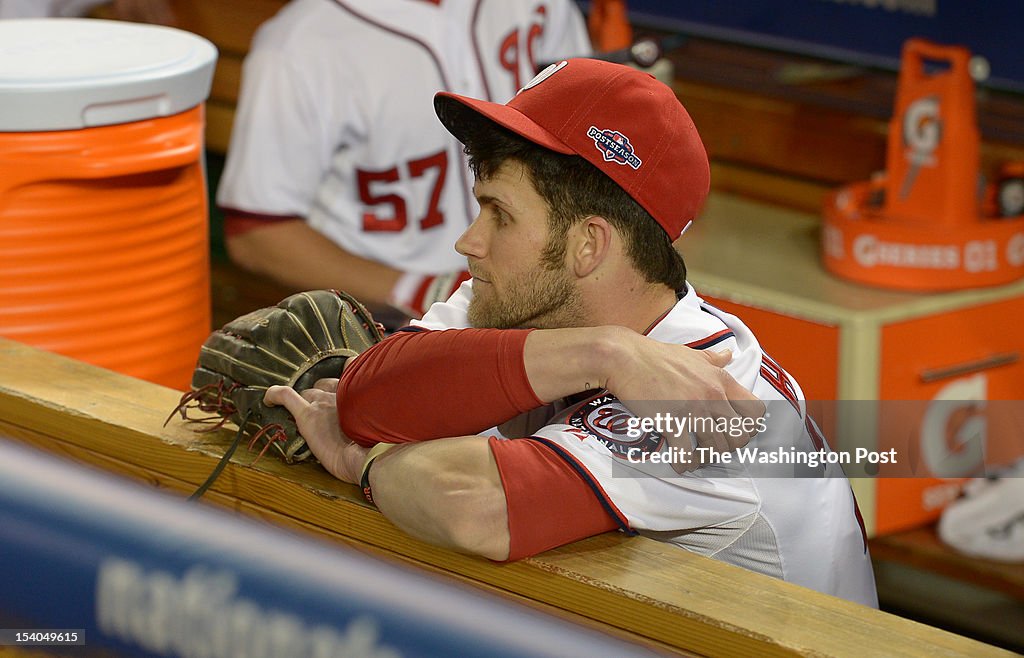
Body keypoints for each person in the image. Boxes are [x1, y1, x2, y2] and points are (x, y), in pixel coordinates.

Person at [265, 58, 879, 607]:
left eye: (499, 214)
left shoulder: (717, 394)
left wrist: (363, 462)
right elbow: (368, 397)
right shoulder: (514, 296)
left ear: (587, 245)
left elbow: (471, 507)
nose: (469, 242)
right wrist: (601, 351)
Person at [216, 0, 592, 325]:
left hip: (546, 289)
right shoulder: (300, 44)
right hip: (388, 324)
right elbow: (256, 233)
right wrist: (418, 289)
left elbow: (581, 124)